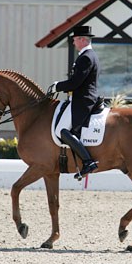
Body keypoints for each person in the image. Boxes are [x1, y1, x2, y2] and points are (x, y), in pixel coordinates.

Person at [50, 25, 99, 179]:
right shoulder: (88, 55)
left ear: (83, 39)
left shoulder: (86, 57)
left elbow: (75, 83)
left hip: (82, 100)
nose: (73, 43)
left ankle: (88, 161)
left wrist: (57, 86)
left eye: (75, 39)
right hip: (80, 98)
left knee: (61, 130)